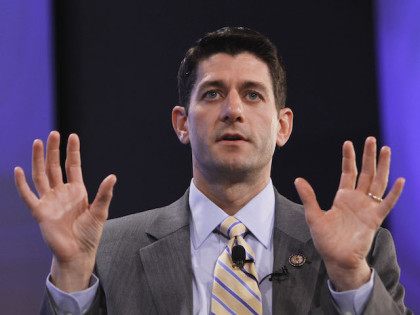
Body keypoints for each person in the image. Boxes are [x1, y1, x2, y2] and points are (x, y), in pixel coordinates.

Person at [15, 27, 410, 314]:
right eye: (213, 93)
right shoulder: (108, 251)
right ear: (182, 123)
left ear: (283, 125)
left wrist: (352, 278)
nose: (233, 110)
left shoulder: (363, 253)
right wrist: (69, 275)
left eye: (253, 94)